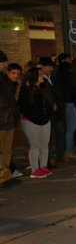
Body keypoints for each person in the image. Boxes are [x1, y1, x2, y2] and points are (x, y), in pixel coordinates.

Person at [18, 67, 53, 178]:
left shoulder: (43, 88)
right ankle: (35, 170)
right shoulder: (26, 91)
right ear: (34, 77)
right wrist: (35, 119)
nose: (42, 76)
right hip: (31, 122)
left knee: (44, 145)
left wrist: (47, 115)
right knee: (35, 146)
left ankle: (43, 166)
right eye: (40, 74)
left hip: (45, 120)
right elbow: (24, 108)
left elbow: (48, 104)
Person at [0, 51, 21, 187]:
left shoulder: (4, 78)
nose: (6, 65)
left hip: (8, 119)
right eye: (4, 62)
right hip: (2, 119)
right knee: (2, 149)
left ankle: (5, 175)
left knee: (7, 149)